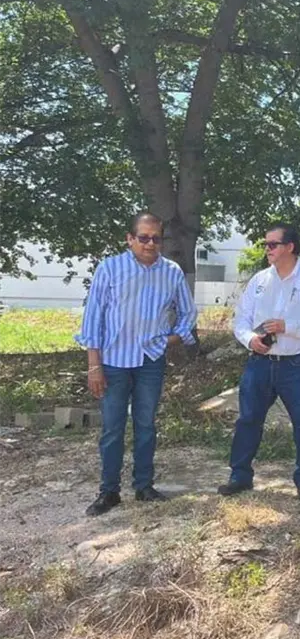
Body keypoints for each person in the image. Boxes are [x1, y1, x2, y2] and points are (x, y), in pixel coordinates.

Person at [75, 212, 198, 516]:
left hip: (149, 362)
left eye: (156, 238)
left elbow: (188, 314)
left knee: (146, 425)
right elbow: (94, 317)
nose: (150, 243)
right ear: (130, 239)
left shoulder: (171, 272)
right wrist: (94, 365)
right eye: (143, 237)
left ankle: (143, 486)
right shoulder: (110, 268)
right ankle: (109, 492)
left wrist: (169, 340)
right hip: (113, 361)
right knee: (113, 429)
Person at [218, 222, 300, 502]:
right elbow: (241, 320)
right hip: (259, 362)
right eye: (265, 245)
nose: (267, 250)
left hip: (296, 364)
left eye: (272, 245)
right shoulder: (259, 280)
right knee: (248, 419)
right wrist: (250, 340)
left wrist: (289, 326)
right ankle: (240, 476)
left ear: (290, 247)